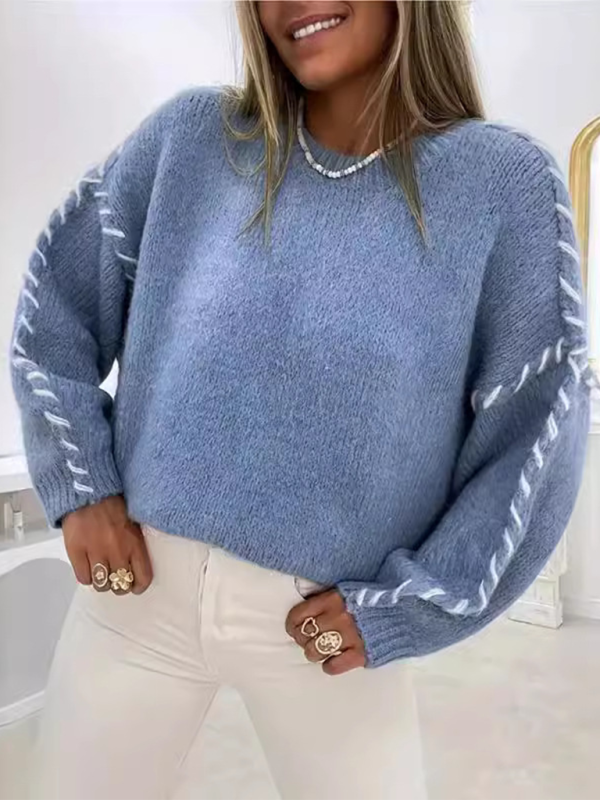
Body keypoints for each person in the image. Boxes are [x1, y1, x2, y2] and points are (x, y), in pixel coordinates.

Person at [10, 2, 591, 799]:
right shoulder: (191, 139)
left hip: (323, 630)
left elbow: (537, 432)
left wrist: (409, 608)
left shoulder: (501, 183)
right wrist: (80, 487)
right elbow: (55, 312)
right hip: (135, 600)